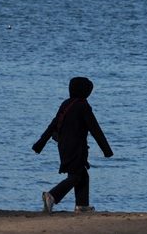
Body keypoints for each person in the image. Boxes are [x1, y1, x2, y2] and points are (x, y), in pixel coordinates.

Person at [32, 77, 113, 214]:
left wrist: (40, 144)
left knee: (82, 174)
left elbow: (53, 125)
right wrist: (106, 150)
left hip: (63, 146)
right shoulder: (83, 106)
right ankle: (52, 196)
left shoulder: (66, 104)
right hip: (77, 147)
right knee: (76, 176)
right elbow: (95, 129)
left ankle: (82, 206)